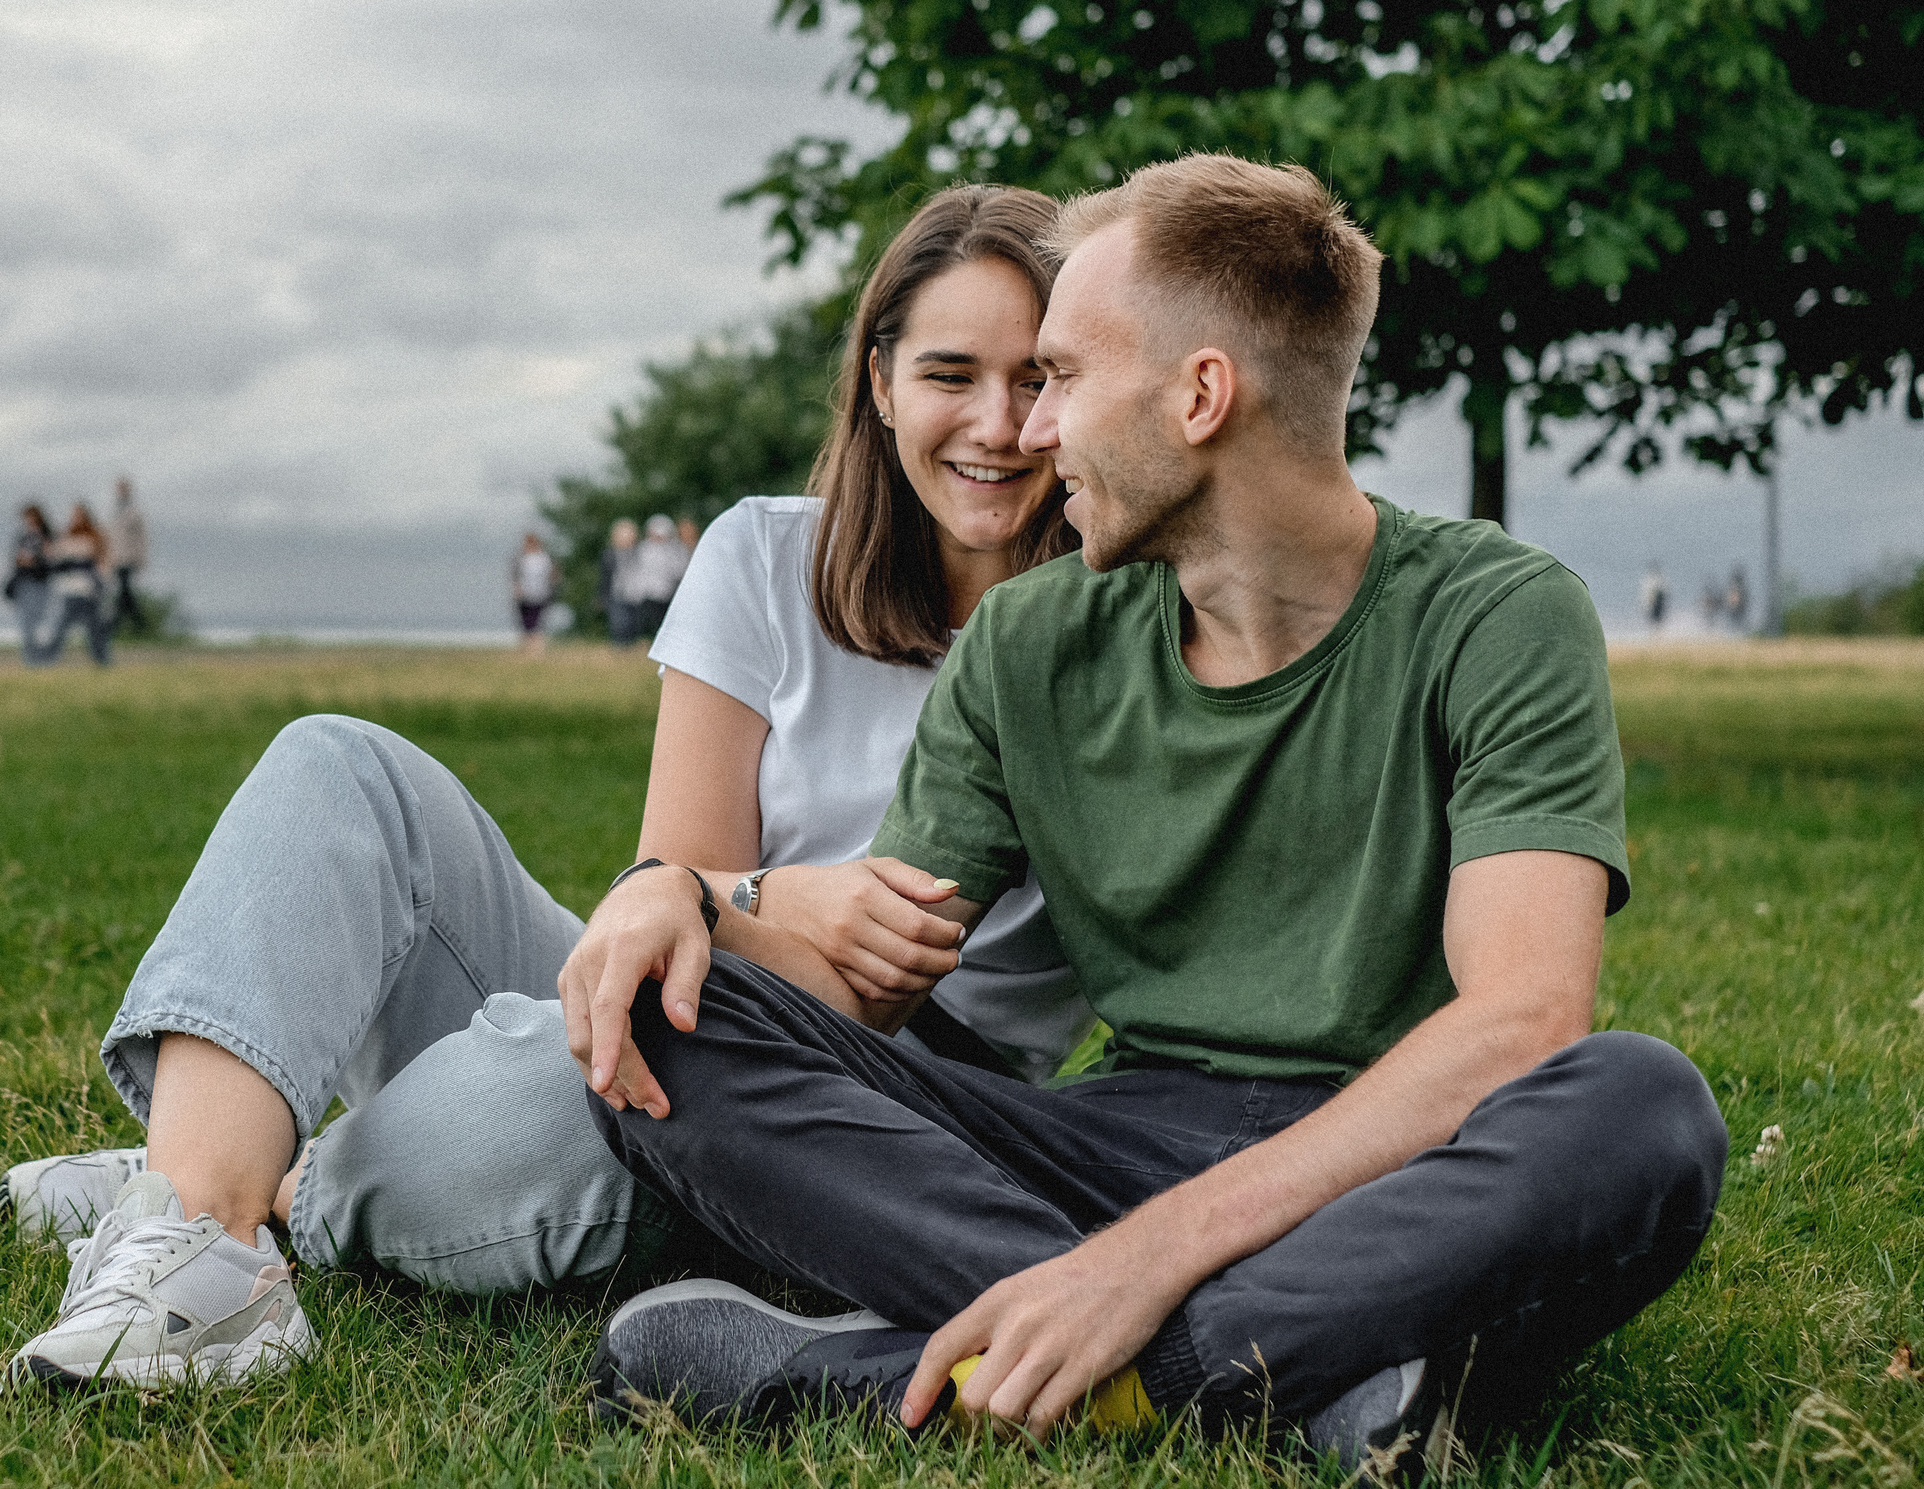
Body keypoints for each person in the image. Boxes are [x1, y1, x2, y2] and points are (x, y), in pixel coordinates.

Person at [573, 156, 1726, 1473]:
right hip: (1102, 1142)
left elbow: (1521, 1019)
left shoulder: (1499, 615)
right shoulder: (1030, 640)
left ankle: (912, 1372)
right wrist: (696, 897)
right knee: (685, 1013)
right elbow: (866, 985)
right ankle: (1309, 1366)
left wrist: (1152, 1257)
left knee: (1644, 1106)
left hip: (1399, 1165)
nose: (1031, 430)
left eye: (1061, 376)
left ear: (1201, 394)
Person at [0, 184, 1094, 1391]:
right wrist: (783, 902)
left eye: (1037, 378)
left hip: (848, 1098)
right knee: (338, 763)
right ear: (879, 384)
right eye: (950, 374)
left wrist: (742, 918)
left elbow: (869, 979)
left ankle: (227, 1167)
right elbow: (668, 881)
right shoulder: (767, 556)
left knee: (532, 1101)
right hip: (679, 983)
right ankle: (203, 1239)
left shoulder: (1121, 624)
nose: (997, 422)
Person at [39, 503, 112, 667]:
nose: (74, 519)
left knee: (94, 627)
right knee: (62, 625)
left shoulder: (94, 538)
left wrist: (101, 583)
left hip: (88, 589)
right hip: (70, 588)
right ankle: (48, 658)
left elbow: (102, 564)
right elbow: (54, 559)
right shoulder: (66, 537)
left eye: (78, 516)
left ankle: (102, 660)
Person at [622, 515, 690, 641]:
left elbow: (680, 571)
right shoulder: (643, 549)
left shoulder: (676, 549)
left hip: (668, 594)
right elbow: (636, 572)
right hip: (647, 595)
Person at [4, 504, 55, 665]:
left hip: (39, 581)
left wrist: (34, 561)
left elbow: (50, 558)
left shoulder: (47, 536)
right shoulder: (23, 536)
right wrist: (21, 561)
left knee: (38, 620)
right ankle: (30, 659)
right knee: (25, 621)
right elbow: (15, 557)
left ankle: (40, 659)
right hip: (23, 581)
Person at [108, 480, 150, 637]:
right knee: (124, 593)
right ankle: (138, 626)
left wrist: (141, 559)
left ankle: (115, 626)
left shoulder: (135, 513)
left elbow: (142, 538)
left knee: (124, 591)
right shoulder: (115, 511)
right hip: (116, 558)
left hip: (129, 558)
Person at [512, 532, 560, 654]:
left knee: (538, 623)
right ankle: (528, 649)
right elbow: (516, 576)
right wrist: (517, 589)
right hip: (525, 595)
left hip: (542, 594)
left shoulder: (544, 559)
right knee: (527, 623)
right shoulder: (520, 558)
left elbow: (552, 575)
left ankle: (537, 649)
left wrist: (553, 582)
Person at [600, 517, 641, 647]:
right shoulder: (609, 554)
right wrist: (602, 595)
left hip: (635, 593)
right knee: (618, 622)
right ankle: (619, 646)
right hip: (617, 592)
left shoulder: (640, 553)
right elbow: (605, 577)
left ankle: (630, 646)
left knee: (633, 622)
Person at [1641, 562, 1668, 634]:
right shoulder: (1658, 579)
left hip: (1657, 602)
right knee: (1654, 619)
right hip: (1653, 602)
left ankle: (1656, 632)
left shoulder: (1655, 580)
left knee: (1656, 619)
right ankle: (1655, 632)